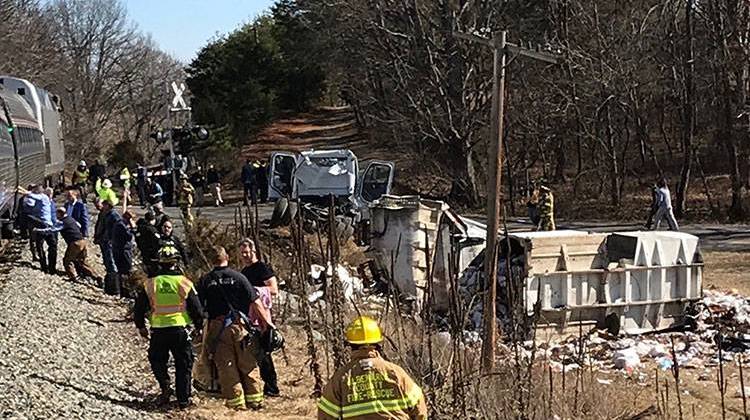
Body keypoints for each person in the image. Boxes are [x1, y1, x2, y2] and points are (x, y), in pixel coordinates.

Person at [196, 246, 274, 410]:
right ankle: (255, 400)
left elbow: (197, 306)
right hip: (240, 326)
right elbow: (256, 301)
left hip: (216, 328)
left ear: (212, 261)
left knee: (226, 366)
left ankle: (236, 404)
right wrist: (267, 323)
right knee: (247, 363)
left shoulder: (205, 280)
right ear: (228, 258)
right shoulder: (239, 277)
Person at [133, 245, 204, 409]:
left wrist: (140, 326)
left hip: (158, 329)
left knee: (157, 360)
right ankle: (183, 399)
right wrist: (199, 326)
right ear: (176, 262)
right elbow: (196, 308)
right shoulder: (184, 282)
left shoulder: (150, 284)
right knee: (183, 364)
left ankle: (165, 386)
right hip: (180, 329)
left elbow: (139, 308)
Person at [317, 316, 428, 419]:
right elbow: (419, 407)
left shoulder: (341, 378)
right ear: (377, 343)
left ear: (350, 345)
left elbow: (326, 415)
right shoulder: (396, 373)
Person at [239, 238, 280, 397]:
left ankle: (271, 387)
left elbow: (274, 289)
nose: (245, 256)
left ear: (253, 251)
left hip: (262, 317)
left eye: (247, 252)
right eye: (242, 253)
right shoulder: (244, 272)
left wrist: (253, 290)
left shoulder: (262, 268)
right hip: (248, 317)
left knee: (264, 354)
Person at [21, 185, 57, 274]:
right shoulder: (43, 199)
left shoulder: (42, 197)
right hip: (48, 225)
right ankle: (50, 268)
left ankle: (46, 267)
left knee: (41, 246)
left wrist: (20, 190)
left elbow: (30, 195)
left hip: (44, 225)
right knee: (50, 246)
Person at [56, 207, 98, 282]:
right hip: (82, 241)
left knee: (67, 260)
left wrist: (41, 230)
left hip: (75, 243)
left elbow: (53, 229)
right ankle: (96, 277)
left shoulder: (63, 222)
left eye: (57, 213)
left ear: (60, 213)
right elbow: (79, 225)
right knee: (82, 262)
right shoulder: (71, 219)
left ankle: (73, 277)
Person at [94, 199, 119, 291]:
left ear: (108, 205)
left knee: (111, 262)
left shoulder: (113, 215)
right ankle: (110, 282)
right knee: (107, 261)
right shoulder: (104, 214)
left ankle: (115, 284)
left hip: (109, 241)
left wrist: (112, 239)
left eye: (103, 205)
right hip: (103, 240)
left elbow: (117, 227)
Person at [112, 210, 136, 298]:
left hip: (119, 250)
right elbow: (129, 236)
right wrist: (133, 227)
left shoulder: (119, 223)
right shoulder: (121, 225)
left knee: (122, 271)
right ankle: (125, 292)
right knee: (126, 270)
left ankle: (124, 291)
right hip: (122, 251)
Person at [136, 212, 162, 277]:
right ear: (153, 220)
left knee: (148, 271)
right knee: (155, 272)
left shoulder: (140, 228)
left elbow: (137, 238)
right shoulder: (152, 229)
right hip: (153, 253)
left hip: (144, 252)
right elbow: (158, 240)